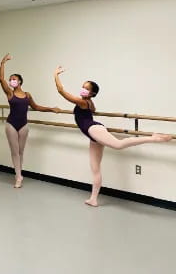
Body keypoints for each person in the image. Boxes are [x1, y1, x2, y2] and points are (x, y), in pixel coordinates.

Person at [54, 66, 172, 206]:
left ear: (91, 93)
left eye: (86, 88)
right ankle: (93, 199)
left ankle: (153, 137)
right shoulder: (89, 103)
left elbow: (61, 91)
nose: (82, 89)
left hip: (93, 129)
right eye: (82, 86)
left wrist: (56, 75)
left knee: (118, 145)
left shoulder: (83, 102)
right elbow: (93, 110)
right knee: (95, 168)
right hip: (93, 134)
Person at [0, 53, 59, 188]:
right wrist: (2, 63)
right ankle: (18, 176)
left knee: (21, 151)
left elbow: (36, 107)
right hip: (11, 125)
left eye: (14, 79)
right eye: (10, 79)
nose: (11, 81)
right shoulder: (10, 93)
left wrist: (51, 109)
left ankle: (20, 173)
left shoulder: (27, 95)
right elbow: (0, 79)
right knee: (14, 151)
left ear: (20, 81)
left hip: (24, 125)